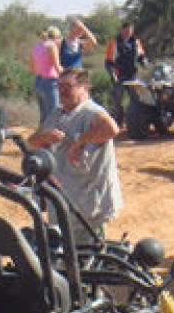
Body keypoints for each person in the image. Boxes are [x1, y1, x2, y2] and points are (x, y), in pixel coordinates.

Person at [28, 68, 122, 244]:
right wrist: (46, 136)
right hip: (63, 203)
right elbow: (32, 141)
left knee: (85, 259)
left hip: (87, 207)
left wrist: (79, 141)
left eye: (68, 86)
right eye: (59, 86)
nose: (62, 91)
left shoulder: (90, 111)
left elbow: (111, 129)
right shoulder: (58, 113)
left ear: (84, 87)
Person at [104, 21, 147, 128]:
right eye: (127, 30)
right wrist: (112, 72)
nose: (129, 33)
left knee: (136, 99)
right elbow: (108, 61)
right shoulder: (114, 42)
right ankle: (118, 122)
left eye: (131, 30)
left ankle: (136, 122)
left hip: (132, 74)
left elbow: (142, 56)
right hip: (119, 75)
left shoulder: (136, 41)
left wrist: (145, 63)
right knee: (117, 100)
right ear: (122, 30)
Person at [29, 26, 62, 125]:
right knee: (53, 115)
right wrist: (72, 74)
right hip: (50, 83)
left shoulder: (36, 47)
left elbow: (32, 68)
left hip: (38, 82)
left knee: (44, 116)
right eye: (59, 37)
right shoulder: (52, 46)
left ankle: (41, 139)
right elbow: (57, 68)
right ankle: (51, 140)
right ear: (55, 37)